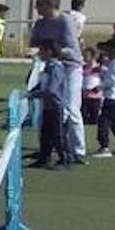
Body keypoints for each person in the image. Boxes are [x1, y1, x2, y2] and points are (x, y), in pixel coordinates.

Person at [29, 0, 85, 164]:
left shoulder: (65, 21)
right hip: (49, 67)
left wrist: (51, 51)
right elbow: (34, 42)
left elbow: (72, 49)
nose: (37, 8)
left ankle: (78, 150)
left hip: (70, 68)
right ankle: (47, 148)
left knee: (70, 107)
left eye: (40, 5)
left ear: (50, 5)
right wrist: (34, 51)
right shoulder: (40, 23)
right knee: (45, 108)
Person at [28, 40, 69, 168]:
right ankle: (44, 158)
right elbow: (43, 84)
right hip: (47, 106)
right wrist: (32, 91)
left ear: (49, 52)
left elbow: (51, 89)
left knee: (58, 134)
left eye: (42, 50)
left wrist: (34, 95)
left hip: (56, 106)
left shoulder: (56, 67)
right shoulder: (48, 66)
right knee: (45, 134)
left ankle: (65, 159)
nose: (39, 53)